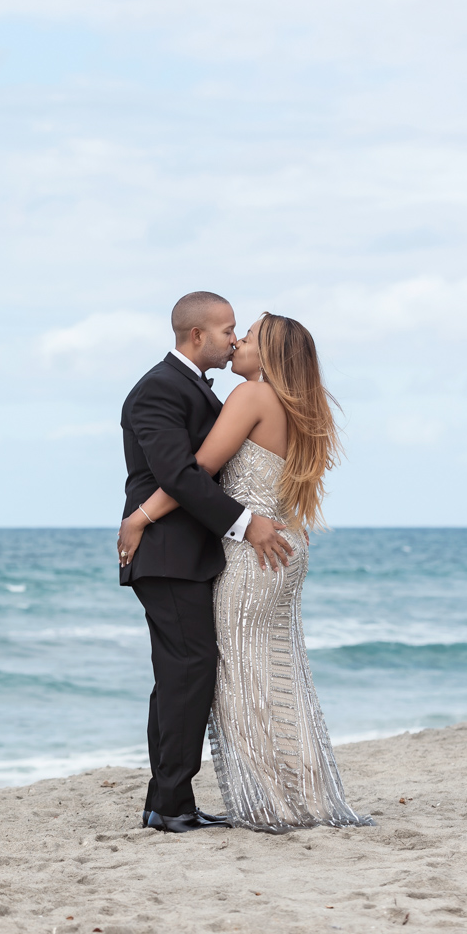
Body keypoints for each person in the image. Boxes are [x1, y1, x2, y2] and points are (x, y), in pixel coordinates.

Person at [119, 311, 373, 833]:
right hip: (285, 548)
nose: (238, 341)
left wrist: (138, 518)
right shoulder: (299, 407)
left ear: (272, 353)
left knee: (238, 676)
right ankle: (294, 793)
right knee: (277, 668)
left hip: (253, 552)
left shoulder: (251, 397)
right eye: (233, 331)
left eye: (249, 335)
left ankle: (259, 799)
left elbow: (197, 472)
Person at [116, 291, 294, 834]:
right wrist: (245, 522)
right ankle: (170, 804)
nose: (234, 340)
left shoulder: (194, 387)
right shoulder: (158, 390)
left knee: (180, 677)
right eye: (227, 331)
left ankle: (165, 802)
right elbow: (180, 474)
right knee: (188, 674)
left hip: (185, 551)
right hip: (167, 554)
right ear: (198, 336)